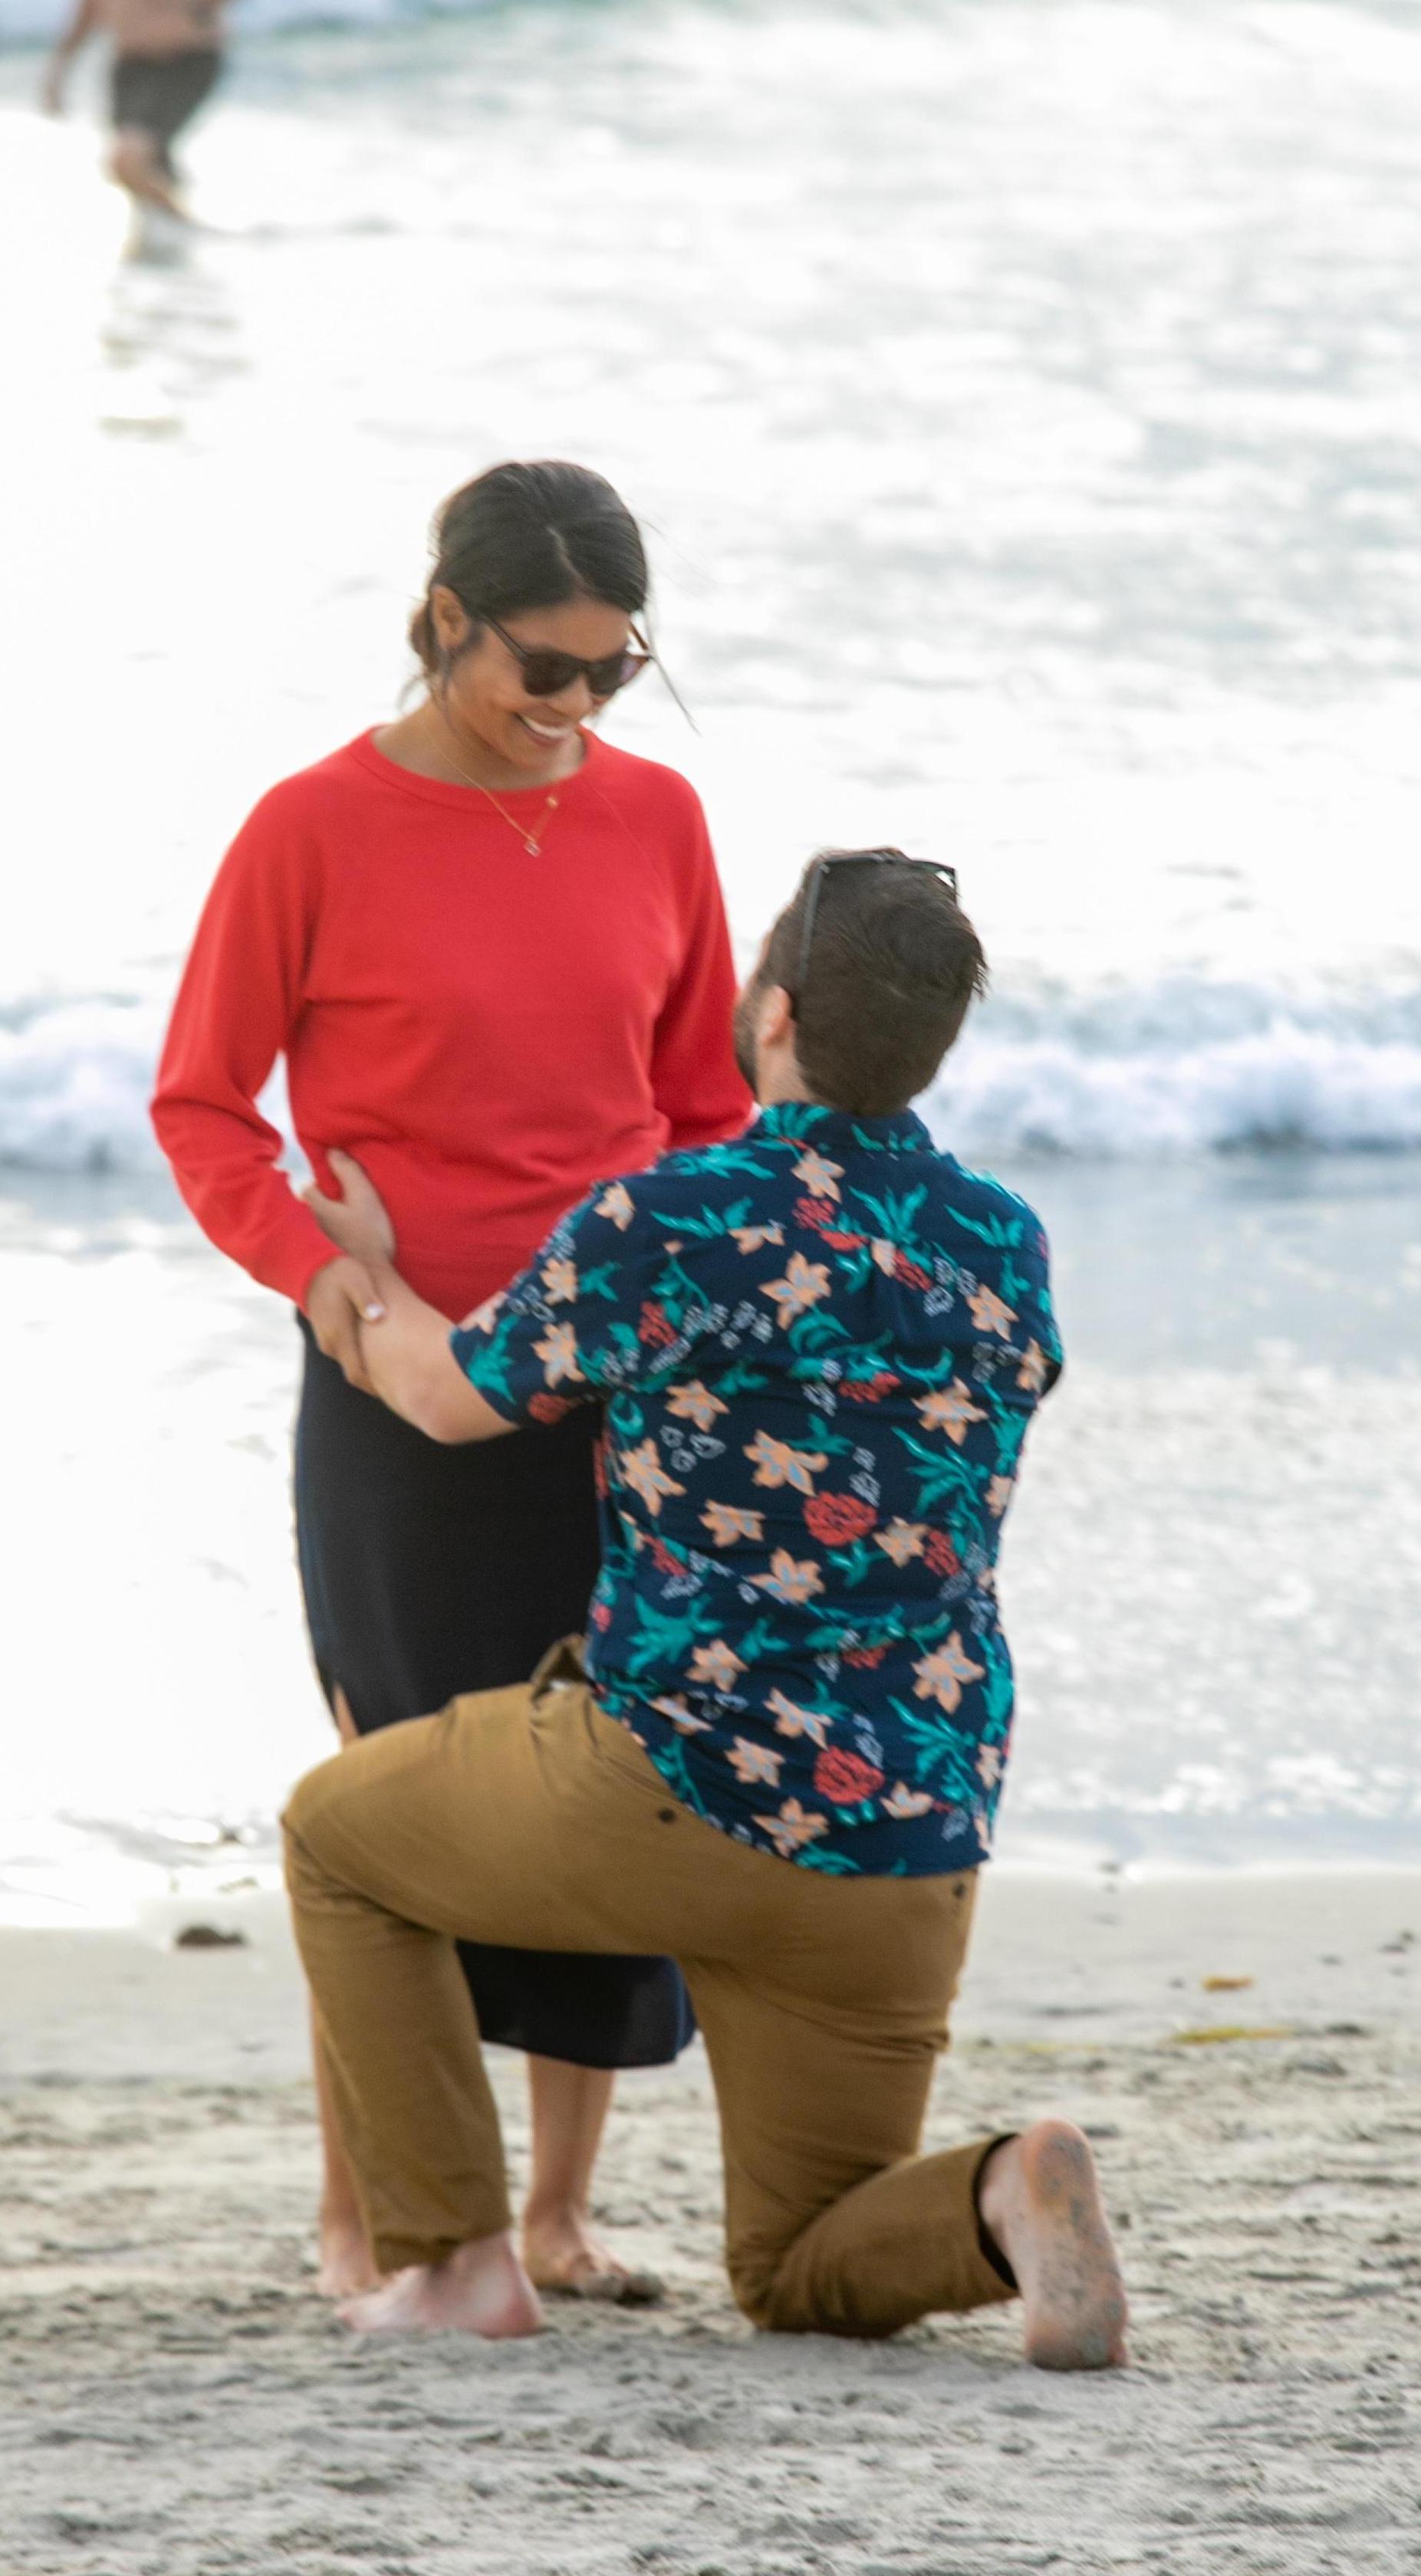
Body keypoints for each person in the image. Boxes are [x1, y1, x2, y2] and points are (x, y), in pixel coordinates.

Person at [280, 853, 1128, 2367]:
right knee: (800, 2264)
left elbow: (448, 1400)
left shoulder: (674, 1215)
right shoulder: (1005, 1239)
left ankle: (457, 2258)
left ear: (777, 1012)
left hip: (674, 1778)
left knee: (336, 1840)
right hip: (908, 1838)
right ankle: (1004, 2189)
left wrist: (365, 1275)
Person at [151, 462, 752, 2306]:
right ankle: (375, 2225)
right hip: (395, 1380)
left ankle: (558, 2216)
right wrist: (330, 1282)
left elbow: (707, 1105)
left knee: (601, 1788)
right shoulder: (309, 830)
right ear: (444, 623)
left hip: (618, 1399)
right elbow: (203, 1109)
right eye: (539, 668)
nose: (573, 705)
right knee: (391, 1801)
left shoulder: (659, 818)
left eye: (610, 670)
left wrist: (696, 1314)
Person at [41, 0, 232, 225]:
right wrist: (57, 76)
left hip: (185, 61)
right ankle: (168, 231)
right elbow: (85, 17)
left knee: (128, 158)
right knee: (141, 164)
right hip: (130, 69)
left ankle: (187, 228)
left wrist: (198, 12)